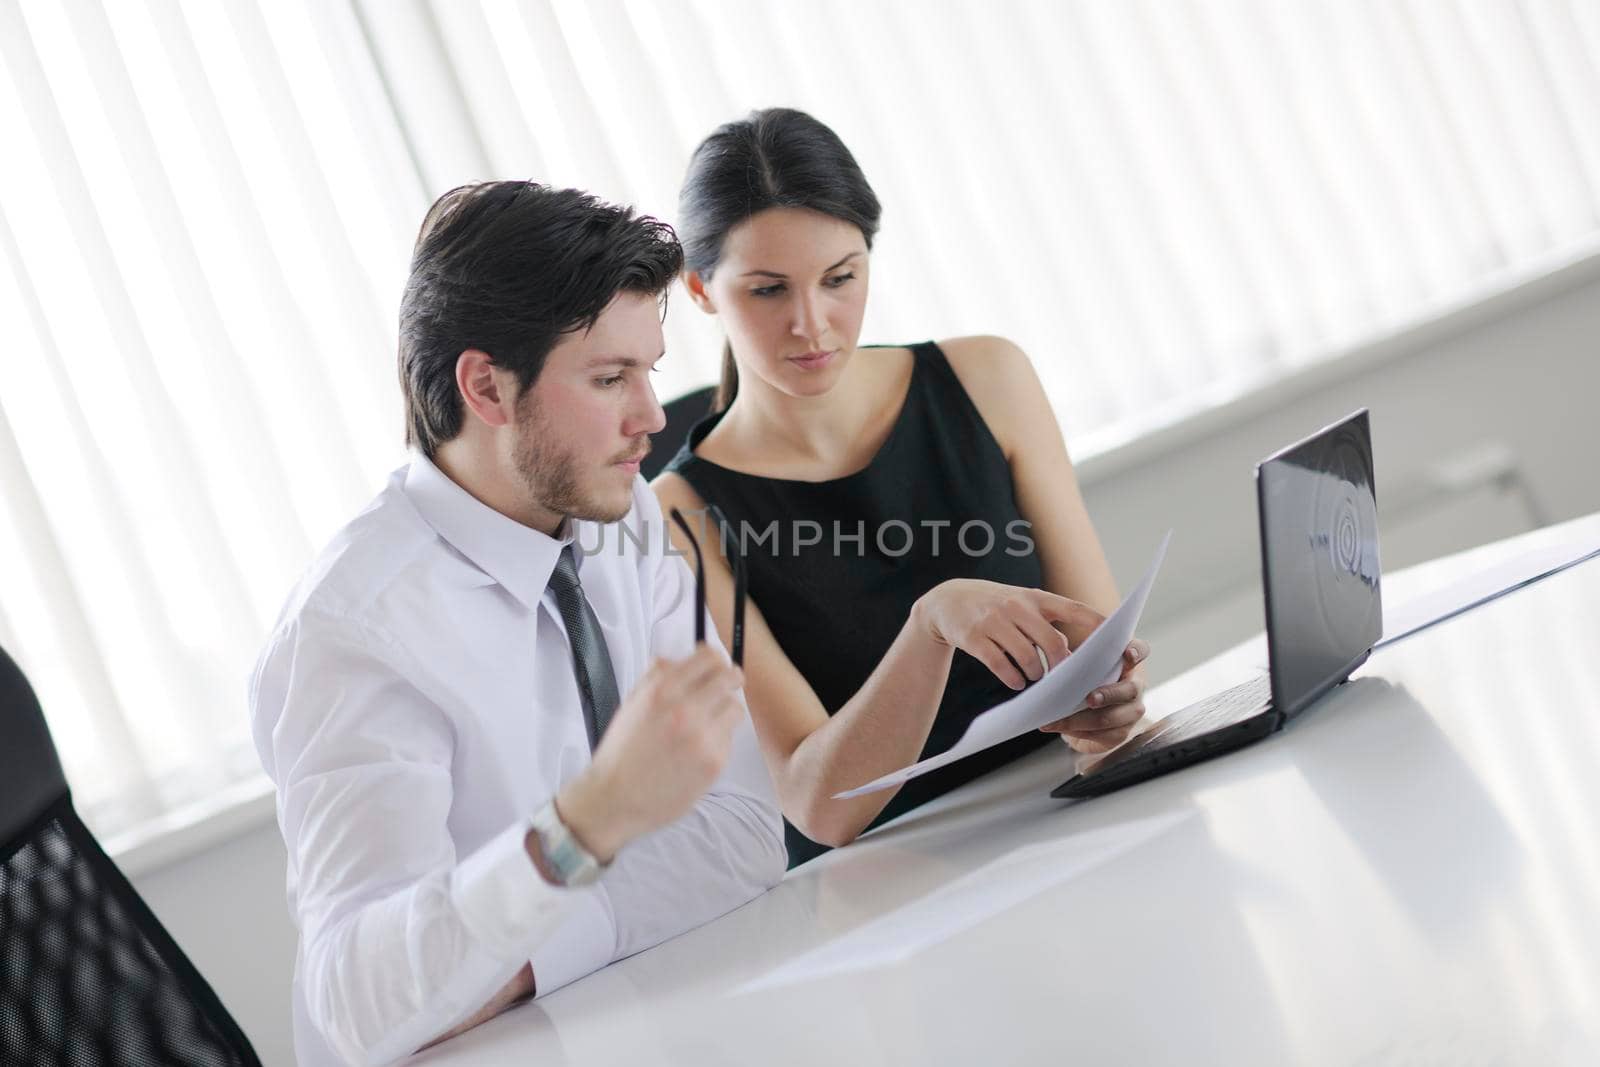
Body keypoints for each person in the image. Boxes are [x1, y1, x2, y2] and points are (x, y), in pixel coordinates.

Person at [249, 181, 785, 1066]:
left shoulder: (629, 514)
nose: (652, 416)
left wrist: (524, 947)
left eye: (646, 370)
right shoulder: (353, 631)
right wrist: (587, 827)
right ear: (487, 388)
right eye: (610, 378)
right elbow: (363, 1003)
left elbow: (743, 836)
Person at [653, 108, 1149, 867]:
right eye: (767, 291)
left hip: (1067, 821)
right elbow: (817, 804)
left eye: (841, 278)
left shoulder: (989, 378)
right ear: (699, 289)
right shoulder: (678, 515)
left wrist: (1111, 700)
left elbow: (1097, 641)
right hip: (891, 884)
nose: (812, 324)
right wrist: (932, 624)